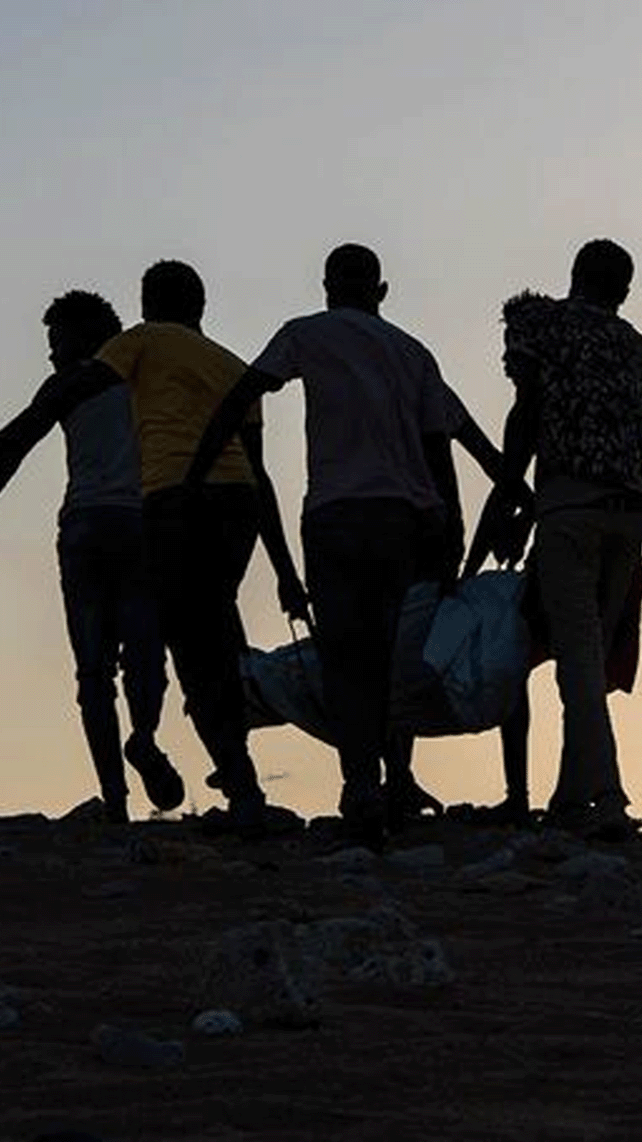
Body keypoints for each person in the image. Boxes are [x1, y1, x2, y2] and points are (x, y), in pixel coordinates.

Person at [0, 261, 302, 834]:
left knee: (120, 665)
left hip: (139, 517)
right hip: (190, 516)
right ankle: (191, 760)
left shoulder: (131, 355)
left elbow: (32, 427)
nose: (51, 354)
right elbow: (256, 472)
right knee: (177, 648)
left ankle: (131, 799)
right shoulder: (211, 367)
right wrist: (285, 571)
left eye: (58, 340)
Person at [187, 243, 512, 847]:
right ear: (380, 291)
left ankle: (361, 786)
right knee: (391, 654)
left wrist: (196, 472)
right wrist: (456, 530)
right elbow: (444, 447)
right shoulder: (413, 353)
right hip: (406, 521)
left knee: (344, 657)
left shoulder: (305, 333)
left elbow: (241, 395)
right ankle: (391, 783)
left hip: (336, 515)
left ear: (327, 287)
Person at [0, 291, 183, 823]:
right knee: (144, 651)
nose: (50, 353)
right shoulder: (143, 372)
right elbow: (11, 453)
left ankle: (116, 800)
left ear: (87, 334)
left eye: (57, 341)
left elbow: (13, 449)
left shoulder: (80, 381)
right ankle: (142, 739)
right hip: (134, 526)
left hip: (91, 529)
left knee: (94, 671)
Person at [479, 238, 642, 840]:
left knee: (579, 662)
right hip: (629, 509)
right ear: (625, 291)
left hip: (571, 507)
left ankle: (607, 796)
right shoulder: (636, 346)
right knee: (589, 660)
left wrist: (508, 505)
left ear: (575, 274)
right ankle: (569, 796)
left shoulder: (543, 324)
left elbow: (525, 414)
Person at [463, 419, 642, 825]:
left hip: (569, 532)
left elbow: (507, 484)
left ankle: (599, 795)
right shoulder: (606, 398)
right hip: (626, 529)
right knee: (586, 674)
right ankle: (570, 795)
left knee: (536, 663)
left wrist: (469, 570)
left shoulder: (543, 400)